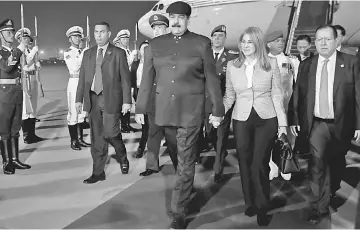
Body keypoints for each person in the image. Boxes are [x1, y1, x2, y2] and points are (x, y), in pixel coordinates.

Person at [135, 2, 224, 228]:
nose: (175, 22)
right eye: (172, 17)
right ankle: (186, 183)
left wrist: (217, 110)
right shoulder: (155, 45)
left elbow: (211, 79)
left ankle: (178, 212)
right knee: (176, 154)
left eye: (180, 18)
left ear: (187, 20)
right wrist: (140, 108)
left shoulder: (201, 43)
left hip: (190, 112)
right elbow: (146, 79)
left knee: (185, 161)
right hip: (164, 111)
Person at [289, 25, 359, 224]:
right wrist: (294, 118)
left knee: (336, 163)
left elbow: (358, 96)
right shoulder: (307, 64)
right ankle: (320, 206)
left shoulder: (351, 62)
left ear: (336, 41)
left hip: (341, 124)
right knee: (317, 165)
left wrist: (359, 125)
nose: (323, 43)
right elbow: (298, 94)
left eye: (327, 39)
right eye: (319, 39)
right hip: (317, 125)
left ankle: (332, 189)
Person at [223, 26, 287, 226]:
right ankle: (250, 201)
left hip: (266, 118)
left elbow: (277, 94)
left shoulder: (271, 64)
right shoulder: (232, 65)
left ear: (258, 43)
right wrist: (218, 114)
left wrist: (283, 124)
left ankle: (262, 206)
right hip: (241, 119)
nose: (245, 45)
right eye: (243, 42)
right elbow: (229, 95)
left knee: (259, 163)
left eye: (250, 42)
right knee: (244, 161)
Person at [75, 21, 132, 184]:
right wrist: (79, 99)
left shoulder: (118, 53)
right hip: (93, 99)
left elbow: (126, 80)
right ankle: (98, 172)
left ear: (109, 34)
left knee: (111, 133)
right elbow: (82, 79)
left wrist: (127, 101)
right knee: (97, 137)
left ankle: (122, 157)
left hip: (111, 99)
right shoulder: (88, 53)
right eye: (96, 32)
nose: (98, 35)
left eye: (102, 32)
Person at [136, 13, 177, 177]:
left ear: (167, 29)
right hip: (154, 101)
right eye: (155, 28)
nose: (158, 31)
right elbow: (146, 78)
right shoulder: (149, 49)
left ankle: (180, 169)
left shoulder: (176, 47)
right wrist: (140, 108)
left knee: (173, 137)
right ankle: (151, 166)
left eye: (161, 27)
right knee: (153, 134)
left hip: (172, 101)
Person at [204, 24, 238, 183]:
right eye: (215, 35)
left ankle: (218, 169)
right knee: (210, 133)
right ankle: (220, 151)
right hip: (206, 102)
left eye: (220, 36)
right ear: (211, 38)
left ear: (225, 38)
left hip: (224, 102)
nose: (217, 38)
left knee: (221, 137)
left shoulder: (232, 57)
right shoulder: (204, 55)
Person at [266, 30, 299, 181]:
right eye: (277, 40)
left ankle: (286, 164)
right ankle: (272, 167)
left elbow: (297, 84)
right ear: (268, 44)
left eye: (281, 40)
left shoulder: (292, 61)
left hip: (287, 105)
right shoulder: (262, 61)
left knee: (288, 137)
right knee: (269, 138)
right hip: (268, 106)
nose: (281, 43)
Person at [0, 19, 31, 174]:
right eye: (8, 32)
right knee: (4, 129)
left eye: (12, 31)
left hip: (16, 92)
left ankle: (14, 159)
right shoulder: (1, 51)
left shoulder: (13, 50)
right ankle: (6, 162)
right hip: (4, 95)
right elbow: (6, 68)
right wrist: (19, 50)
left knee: (15, 127)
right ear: (1, 35)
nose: (11, 34)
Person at [15, 28, 44, 144]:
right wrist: (33, 55)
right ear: (19, 40)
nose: (27, 40)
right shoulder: (19, 51)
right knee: (26, 110)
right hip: (24, 80)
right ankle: (27, 136)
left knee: (33, 108)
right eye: (24, 38)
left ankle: (32, 134)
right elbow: (24, 66)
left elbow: (32, 62)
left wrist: (37, 64)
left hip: (32, 79)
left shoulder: (30, 50)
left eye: (28, 38)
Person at [64, 26, 91, 151]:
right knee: (74, 112)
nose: (77, 38)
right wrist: (84, 55)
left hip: (84, 82)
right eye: (75, 36)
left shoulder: (82, 51)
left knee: (82, 113)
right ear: (70, 39)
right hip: (74, 82)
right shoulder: (68, 52)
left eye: (79, 36)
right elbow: (74, 68)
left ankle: (80, 139)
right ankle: (74, 141)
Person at [113, 29, 138, 133]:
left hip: (128, 79)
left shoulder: (127, 51)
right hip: (121, 80)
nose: (126, 40)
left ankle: (127, 124)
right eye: (123, 38)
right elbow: (125, 64)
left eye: (127, 38)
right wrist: (133, 55)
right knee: (123, 102)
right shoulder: (119, 52)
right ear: (119, 40)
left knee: (129, 101)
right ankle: (123, 126)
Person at [131, 40, 149, 158]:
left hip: (150, 95)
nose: (145, 50)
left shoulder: (153, 64)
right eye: (143, 48)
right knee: (144, 124)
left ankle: (142, 147)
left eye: (148, 48)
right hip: (138, 93)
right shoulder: (135, 64)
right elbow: (132, 81)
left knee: (150, 123)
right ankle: (141, 147)